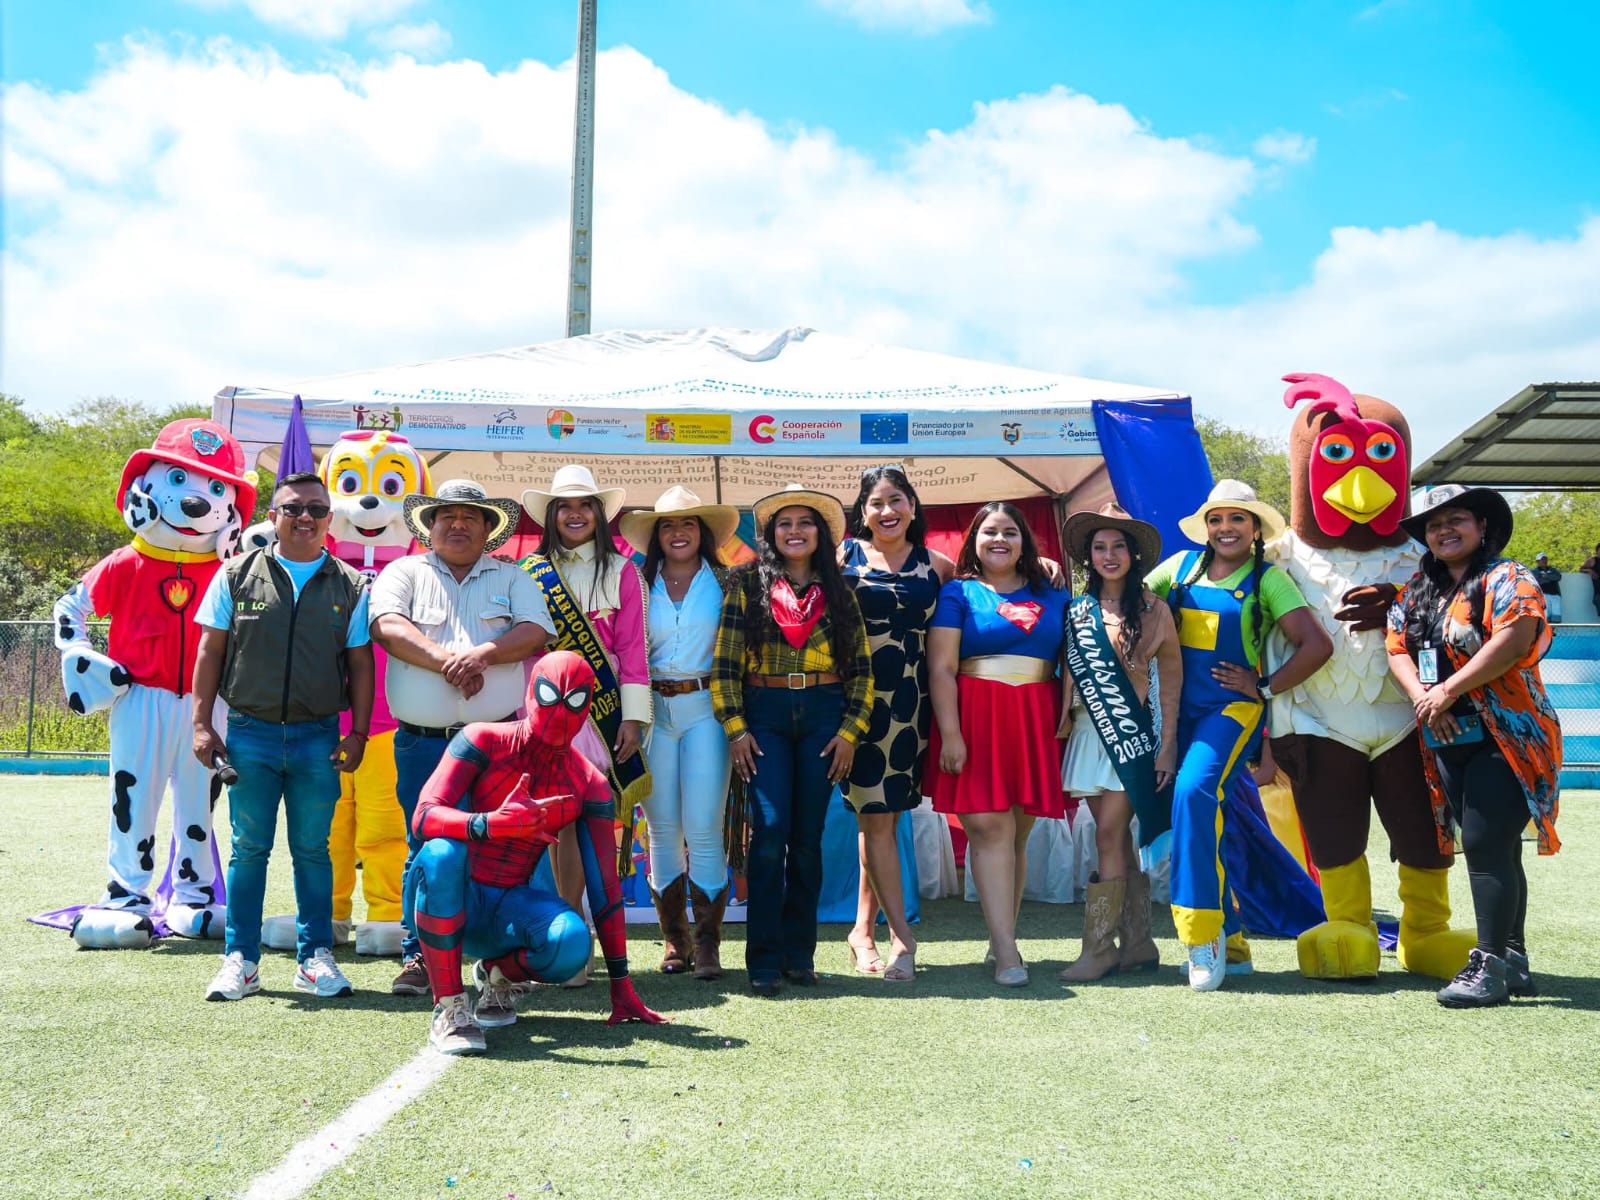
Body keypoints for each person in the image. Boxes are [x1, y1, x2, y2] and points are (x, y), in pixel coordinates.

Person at [408, 652, 665, 1053]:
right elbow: (423, 817)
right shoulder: (483, 739)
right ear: (531, 691)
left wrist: (621, 984)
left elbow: (605, 886)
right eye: (550, 696)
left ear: (587, 705)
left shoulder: (588, 782)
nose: (560, 711)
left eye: (574, 701)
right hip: (450, 893)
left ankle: (497, 974)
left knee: (572, 944)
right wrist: (489, 824)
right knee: (441, 854)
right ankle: (450, 1006)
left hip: (508, 910)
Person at [191, 472, 374, 1000]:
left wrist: (360, 733)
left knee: (313, 850)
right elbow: (210, 651)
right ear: (273, 517)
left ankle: (314, 958)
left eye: (316, 509)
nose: (305, 518)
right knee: (249, 849)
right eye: (293, 508)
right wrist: (202, 724)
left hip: (320, 737)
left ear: (330, 519)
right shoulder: (234, 575)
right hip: (251, 733)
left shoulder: (350, 584)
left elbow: (361, 664)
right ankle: (241, 960)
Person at [369, 479, 554, 998]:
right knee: (425, 846)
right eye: (446, 515)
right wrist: (451, 662)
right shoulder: (403, 572)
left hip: (500, 745)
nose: (457, 524)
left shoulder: (513, 577)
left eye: (470, 516)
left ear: (488, 528)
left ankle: (501, 961)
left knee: (506, 846)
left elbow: (535, 631)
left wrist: (482, 655)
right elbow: (386, 627)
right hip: (423, 742)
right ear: (429, 525)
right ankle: (419, 956)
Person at [1144, 480, 1331, 992]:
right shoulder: (1179, 567)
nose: (1225, 528)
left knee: (1193, 793)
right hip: (1173, 709)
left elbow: (1316, 645)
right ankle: (1234, 942)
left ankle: (1201, 935)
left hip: (1230, 710)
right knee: (1207, 817)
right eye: (1216, 519)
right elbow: (1129, 601)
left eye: (1236, 519)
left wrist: (1265, 686)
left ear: (1255, 529)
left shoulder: (1270, 579)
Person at [1387, 484, 1563, 1007]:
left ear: (1481, 526)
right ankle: (1513, 959)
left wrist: (1446, 690)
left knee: (1486, 846)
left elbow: (1513, 639)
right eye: (1433, 524)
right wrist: (1426, 700)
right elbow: (1396, 648)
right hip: (1446, 733)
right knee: (1498, 847)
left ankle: (1488, 965)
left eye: (1456, 519)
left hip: (1510, 735)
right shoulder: (1419, 589)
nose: (1444, 530)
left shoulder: (1509, 577)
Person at [712, 485, 874, 997]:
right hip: (765, 714)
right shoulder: (745, 584)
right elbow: (725, 665)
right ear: (771, 534)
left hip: (825, 715)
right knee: (770, 831)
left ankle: (799, 955)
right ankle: (762, 959)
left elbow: (862, 672)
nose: (795, 531)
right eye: (785, 523)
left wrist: (849, 733)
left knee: (807, 838)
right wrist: (736, 728)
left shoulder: (842, 590)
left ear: (821, 534)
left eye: (805, 523)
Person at [517, 464, 652, 987]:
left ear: (598, 513)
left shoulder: (622, 571)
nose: (575, 515)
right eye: (565, 508)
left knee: (583, 823)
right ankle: (561, 936)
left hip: (599, 711)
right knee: (550, 823)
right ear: (552, 516)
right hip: (542, 710)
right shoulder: (529, 571)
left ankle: (577, 939)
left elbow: (632, 649)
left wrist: (632, 719)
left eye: (584, 506)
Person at [927, 501, 1071, 988]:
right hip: (975, 718)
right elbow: (942, 667)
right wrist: (951, 733)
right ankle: (1007, 950)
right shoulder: (958, 593)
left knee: (1016, 836)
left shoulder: (1052, 592)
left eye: (1010, 531)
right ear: (974, 541)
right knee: (990, 830)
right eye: (990, 531)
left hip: (1036, 719)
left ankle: (1000, 935)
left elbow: (1072, 657)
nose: (1000, 540)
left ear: (1025, 541)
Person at [836, 465, 954, 983]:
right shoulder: (843, 558)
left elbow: (987, 589)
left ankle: (861, 929)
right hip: (859, 705)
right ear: (862, 512)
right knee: (876, 819)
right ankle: (902, 938)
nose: (887, 511)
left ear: (913, 505)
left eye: (897, 500)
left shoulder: (939, 565)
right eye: (876, 502)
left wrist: (1041, 567)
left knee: (883, 820)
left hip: (913, 707)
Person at [619, 486, 741, 979]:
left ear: (702, 532)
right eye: (667, 525)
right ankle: (676, 940)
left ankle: (708, 942)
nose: (677, 532)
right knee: (662, 828)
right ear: (655, 535)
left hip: (707, 709)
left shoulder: (728, 582)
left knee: (704, 825)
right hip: (652, 714)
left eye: (687, 523)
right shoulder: (635, 581)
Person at [1056, 503, 1181, 982]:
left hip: (1133, 737)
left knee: (1108, 834)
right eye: (1099, 547)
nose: (1109, 555)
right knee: (1118, 841)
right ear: (1089, 556)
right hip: (1088, 735)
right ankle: (1138, 943)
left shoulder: (1155, 610)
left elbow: (1170, 685)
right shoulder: (1076, 609)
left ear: (1134, 555)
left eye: (1118, 547)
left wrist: (1166, 747)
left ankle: (1098, 948)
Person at [1531, 553, 1563, 624]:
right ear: (1538, 561)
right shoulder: (1535, 571)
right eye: (1542, 560)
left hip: (1555, 595)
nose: (1544, 561)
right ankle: (1547, 629)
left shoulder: (1553, 570)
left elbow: (1558, 577)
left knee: (1557, 616)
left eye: (1545, 559)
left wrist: (1546, 576)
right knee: (1547, 615)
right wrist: (1550, 578)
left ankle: (1555, 629)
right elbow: (1539, 581)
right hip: (1544, 595)